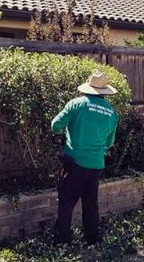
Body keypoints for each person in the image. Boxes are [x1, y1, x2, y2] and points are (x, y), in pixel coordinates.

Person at [51, 69, 119, 245]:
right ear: (105, 92)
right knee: (91, 204)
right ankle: (92, 240)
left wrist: (68, 130)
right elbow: (110, 143)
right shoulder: (112, 113)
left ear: (87, 88)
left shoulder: (76, 104)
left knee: (66, 203)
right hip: (96, 165)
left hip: (74, 163)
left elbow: (55, 125)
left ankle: (61, 242)